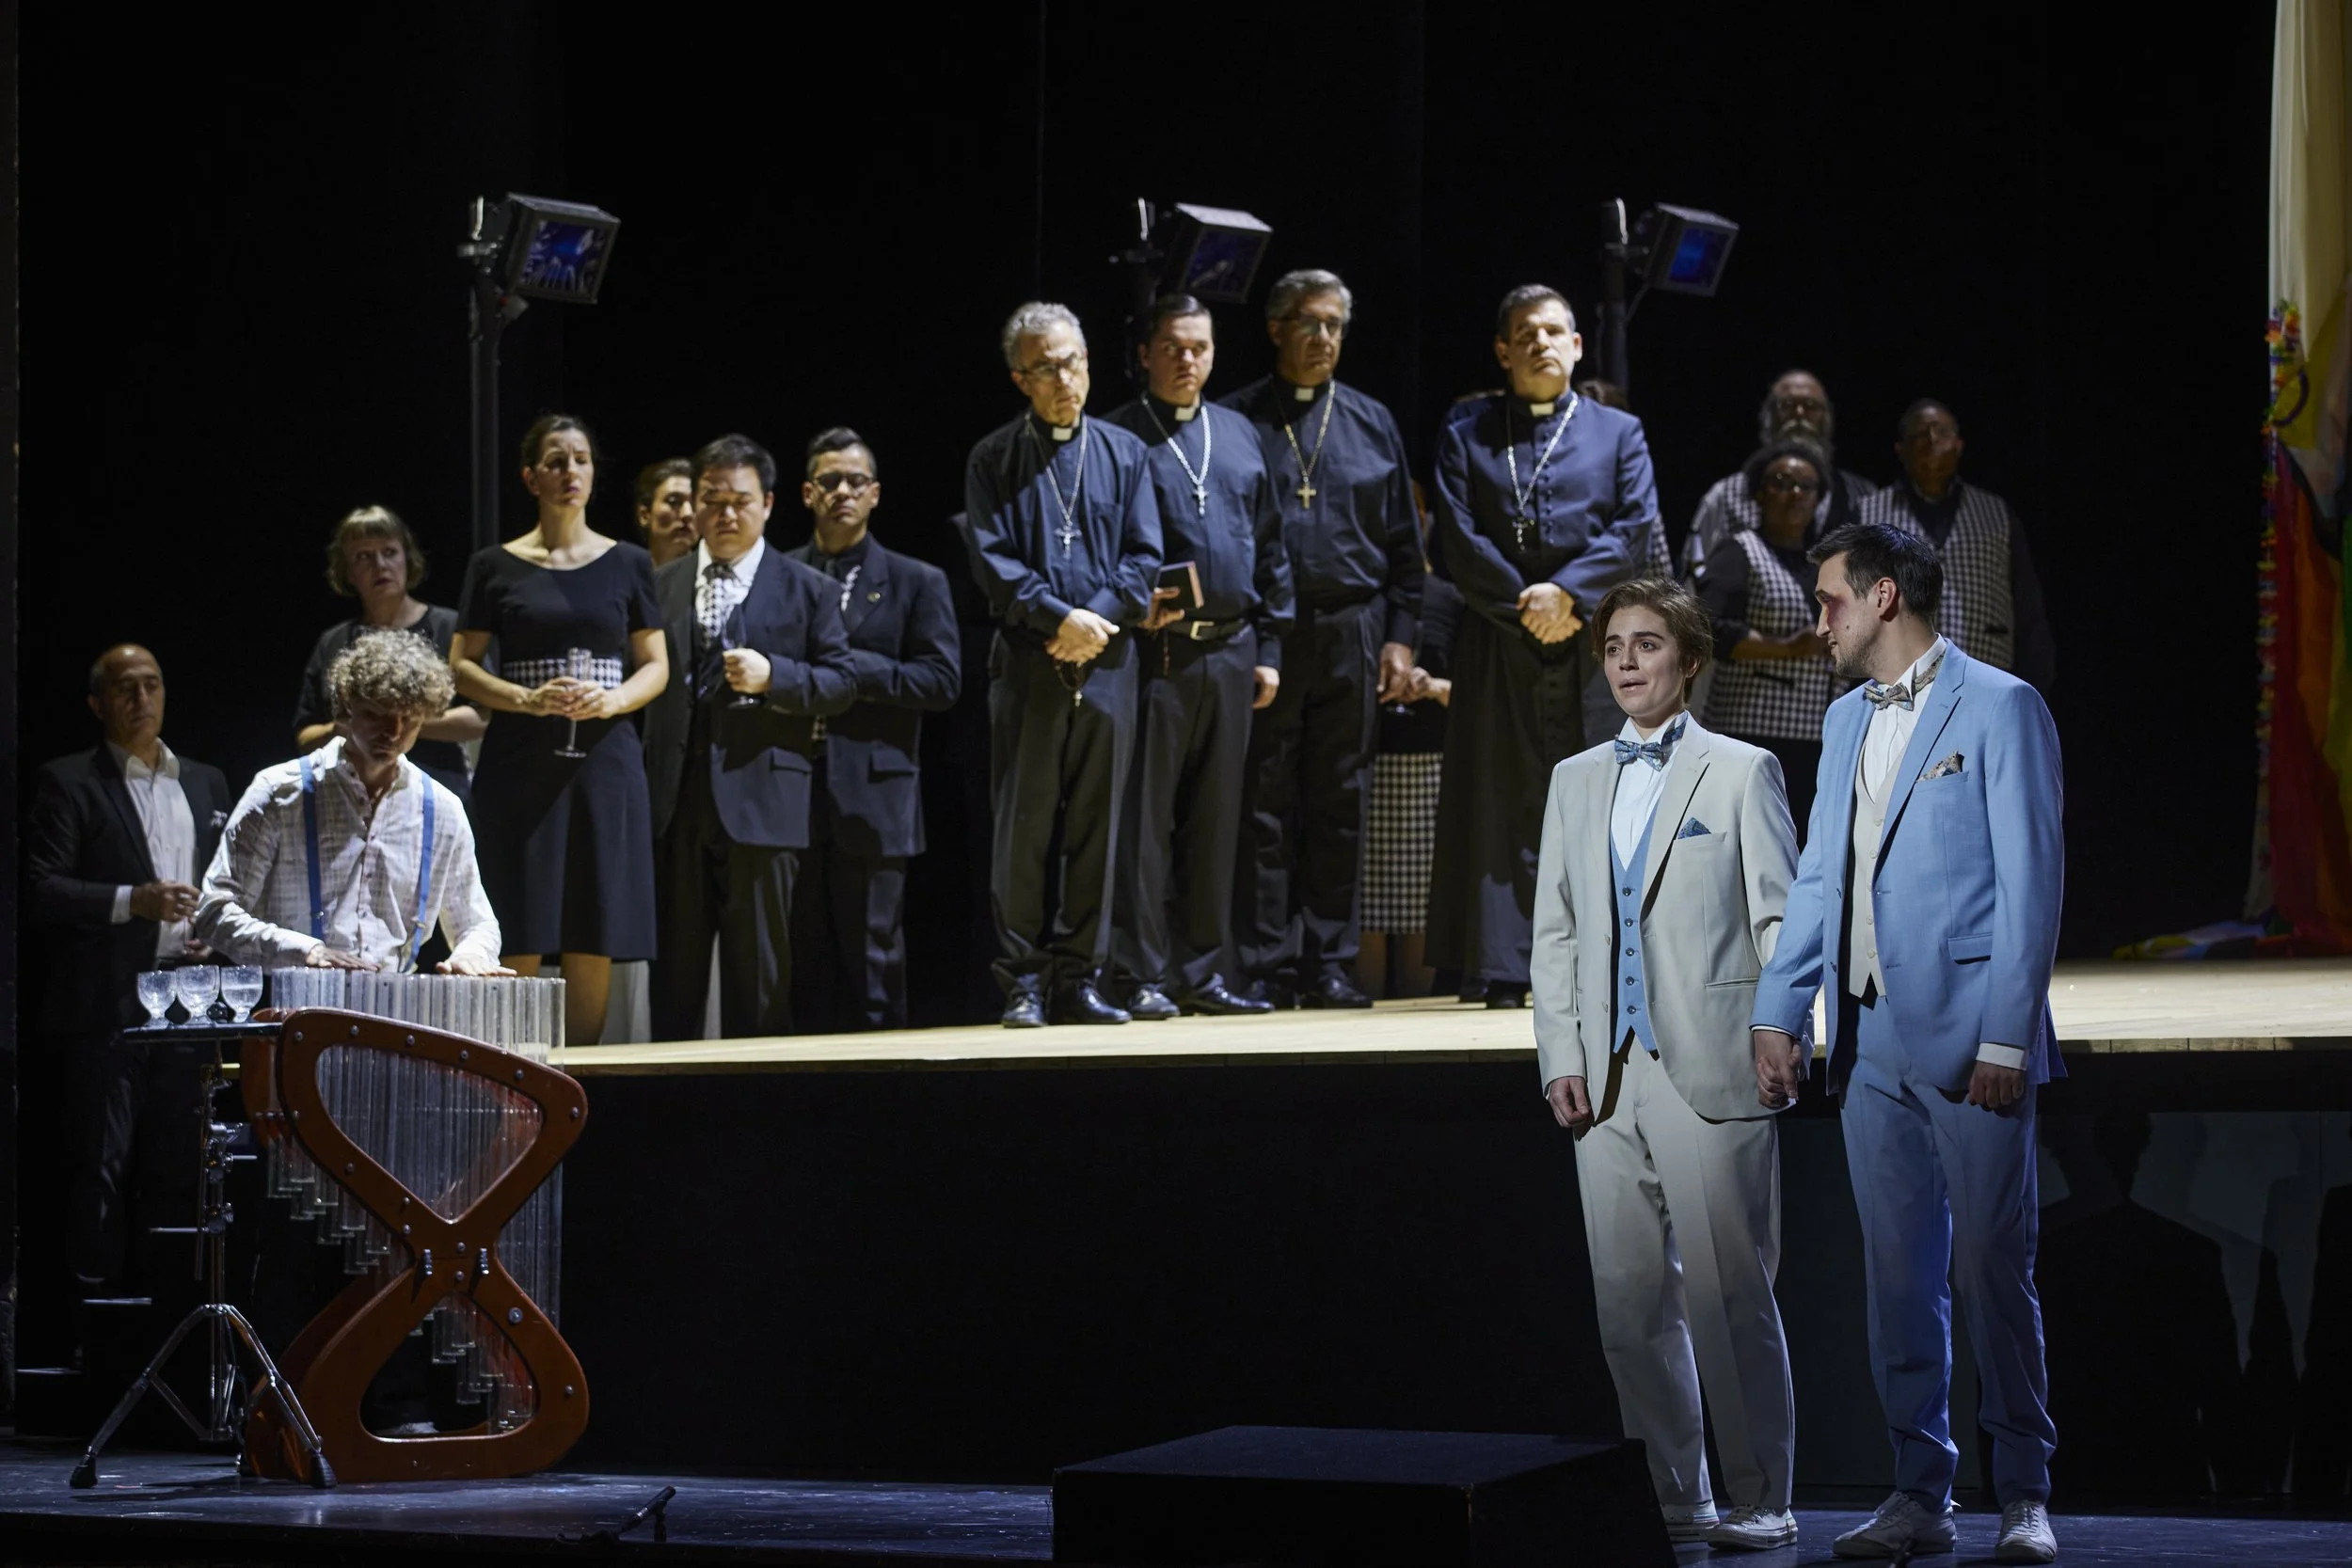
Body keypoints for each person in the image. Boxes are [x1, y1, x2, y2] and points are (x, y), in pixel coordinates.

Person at [1753, 522, 2062, 1564]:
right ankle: (1918, 1490)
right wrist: (1779, 1010)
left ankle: (2023, 1491)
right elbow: (1817, 878)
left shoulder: (2002, 704)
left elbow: (2031, 883)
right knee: (1897, 1279)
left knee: (1991, 1268)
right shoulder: (1845, 717)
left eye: (1830, 599)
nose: (1819, 620)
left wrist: (2008, 1038)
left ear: (1884, 595)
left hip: (1975, 1037)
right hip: (1868, 1038)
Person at [1532, 577, 1800, 1552]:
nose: (1627, 662)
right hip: (1605, 1073)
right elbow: (1555, 930)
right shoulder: (1574, 779)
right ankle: (1675, 1496)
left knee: (1730, 1294)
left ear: (1688, 659)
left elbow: (1780, 919)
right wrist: (1559, 1051)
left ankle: (1762, 1494)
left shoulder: (1740, 769)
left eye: (1646, 644)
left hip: (1711, 1056)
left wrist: (1783, 1027)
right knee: (1630, 1301)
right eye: (1613, 647)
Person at [1427, 284, 1661, 1007]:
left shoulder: (1619, 432)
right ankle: (1503, 966)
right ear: (1503, 350)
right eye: (1525, 334)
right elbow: (1456, 536)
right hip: (1498, 637)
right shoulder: (1466, 432)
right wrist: (1525, 604)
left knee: (1599, 802)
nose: (1541, 343)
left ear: (1577, 345)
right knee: (1499, 800)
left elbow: (1635, 526)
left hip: (1594, 642)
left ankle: (1601, 961)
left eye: (1555, 331)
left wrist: (1567, 596)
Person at [1218, 268, 1422, 1009]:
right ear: (1276, 329)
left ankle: (1328, 960)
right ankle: (1266, 962)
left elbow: (1405, 547)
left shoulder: (1371, 420)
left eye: (1335, 324)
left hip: (1352, 628)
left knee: (1341, 801)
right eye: (1309, 322)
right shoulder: (1235, 420)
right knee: (1264, 801)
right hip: (1267, 634)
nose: (1323, 337)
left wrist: (1400, 637)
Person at [963, 303, 1162, 1026]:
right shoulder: (992, 459)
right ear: (1021, 378)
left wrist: (1095, 620)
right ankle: (1023, 980)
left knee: (1097, 830)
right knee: (1023, 831)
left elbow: (1144, 557)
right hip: (1030, 661)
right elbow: (992, 562)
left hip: (1108, 661)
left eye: (1072, 361)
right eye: (1046, 367)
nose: (1064, 379)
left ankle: (1081, 978)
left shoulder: (1125, 453)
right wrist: (1058, 618)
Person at [452, 414, 670, 1047]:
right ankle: (508, 1069)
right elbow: (461, 666)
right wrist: (524, 698)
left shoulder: (629, 562)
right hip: (520, 759)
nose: (570, 471)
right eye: (555, 460)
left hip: (604, 757)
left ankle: (583, 1078)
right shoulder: (494, 565)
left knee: (591, 920)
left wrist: (612, 700)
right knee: (518, 910)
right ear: (531, 477)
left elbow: (656, 665)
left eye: (581, 459)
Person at [24, 645, 233, 1306]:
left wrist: (214, 933)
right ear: (98, 703)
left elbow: (227, 884)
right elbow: (40, 889)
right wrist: (132, 901)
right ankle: (94, 1319)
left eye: (152, 685)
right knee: (101, 1164)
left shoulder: (205, 781)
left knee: (182, 1162)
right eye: (125, 689)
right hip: (106, 1005)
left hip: (189, 999)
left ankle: (170, 1311)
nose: (142, 700)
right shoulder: (69, 780)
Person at [1103, 293, 1292, 1019]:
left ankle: (1206, 973)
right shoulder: (1119, 436)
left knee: (1218, 822)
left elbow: (1270, 545)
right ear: (1145, 354)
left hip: (1234, 649)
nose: (1188, 359)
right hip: (1156, 652)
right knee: (1145, 821)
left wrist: (1270, 646)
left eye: (1200, 347)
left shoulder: (1238, 432)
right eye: (1173, 348)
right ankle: (1140, 973)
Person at [642, 433, 856, 1040]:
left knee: (758, 980)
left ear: (767, 504)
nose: (725, 514)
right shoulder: (659, 584)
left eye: (739, 501)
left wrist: (775, 677)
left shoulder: (807, 587)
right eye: (711, 500)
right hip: (675, 802)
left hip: (764, 801)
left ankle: (759, 1093)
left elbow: (842, 682)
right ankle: (666, 1092)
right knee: (674, 980)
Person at [782, 428, 961, 1034]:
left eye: (855, 481)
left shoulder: (916, 580)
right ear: (807, 493)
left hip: (876, 788)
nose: (843, 492)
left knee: (873, 958)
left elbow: (942, 680)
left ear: (876, 494)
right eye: (829, 481)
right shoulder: (781, 574)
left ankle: (883, 1077)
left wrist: (851, 669)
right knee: (801, 956)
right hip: (791, 785)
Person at [196, 631, 507, 974]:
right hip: (293, 1000)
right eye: (377, 715)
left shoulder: (442, 809)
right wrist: (305, 951)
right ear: (347, 707)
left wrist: (471, 955)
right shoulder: (280, 792)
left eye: (409, 719)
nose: (394, 732)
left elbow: (476, 923)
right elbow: (214, 912)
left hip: (391, 1002)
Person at [292, 505, 485, 807]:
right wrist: (343, 728)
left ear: (408, 558)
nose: (380, 565)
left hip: (438, 792)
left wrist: (397, 724)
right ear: (348, 572)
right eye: (363, 557)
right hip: (350, 798)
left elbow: (481, 718)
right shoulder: (334, 642)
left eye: (390, 552)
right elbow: (306, 737)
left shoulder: (450, 628)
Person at [1858, 400, 2056, 693]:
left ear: (1959, 445)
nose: (1931, 440)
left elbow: (2027, 604)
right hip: (1900, 681)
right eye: (1920, 434)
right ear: (1901, 449)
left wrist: (2036, 681)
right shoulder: (1867, 514)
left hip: (1988, 675)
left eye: (1941, 432)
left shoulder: (1996, 513)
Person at [1699, 441, 1842, 840]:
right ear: (1759, 493)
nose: (1795, 493)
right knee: (1745, 845)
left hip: (1814, 736)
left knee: (1800, 846)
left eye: (1806, 486)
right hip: (1749, 731)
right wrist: (1785, 649)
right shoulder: (1738, 551)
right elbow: (1707, 628)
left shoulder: (1822, 563)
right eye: (1781, 482)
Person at [1355, 572, 1456, 999]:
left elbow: (1478, 694)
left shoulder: (1449, 598)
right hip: (1365, 761)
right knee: (1366, 910)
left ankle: (1418, 1017)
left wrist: (1431, 687)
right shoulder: (1364, 594)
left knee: (1419, 910)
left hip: (1429, 764)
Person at [1682, 370, 1878, 579]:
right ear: (1768, 417)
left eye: (1811, 406)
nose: (1799, 414)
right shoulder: (1727, 495)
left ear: (1828, 419)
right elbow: (1696, 571)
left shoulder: (1862, 496)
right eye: (1787, 405)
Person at [636, 457, 698, 570]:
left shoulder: (715, 577)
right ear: (645, 515)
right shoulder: (622, 575)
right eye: (674, 502)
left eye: (694, 504)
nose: (688, 514)